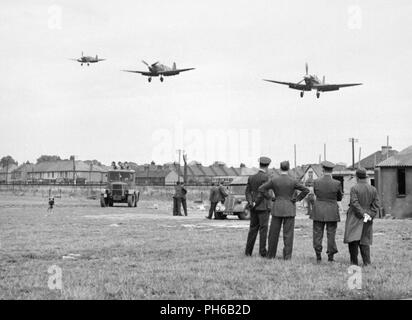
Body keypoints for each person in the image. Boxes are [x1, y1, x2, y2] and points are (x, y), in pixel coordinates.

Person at [257, 160, 309, 260]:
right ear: (288, 168)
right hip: (289, 208)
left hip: (277, 208)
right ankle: (287, 256)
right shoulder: (293, 180)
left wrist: (270, 197)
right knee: (288, 234)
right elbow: (306, 190)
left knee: (273, 234)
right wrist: (297, 199)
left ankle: (271, 255)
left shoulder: (274, 180)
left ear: (280, 168)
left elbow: (261, 189)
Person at [344, 168, 380, 266]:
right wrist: (369, 215)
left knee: (353, 239)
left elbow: (354, 203)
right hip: (367, 217)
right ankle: (367, 262)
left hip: (354, 216)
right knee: (365, 240)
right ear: (366, 177)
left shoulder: (354, 188)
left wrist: (362, 214)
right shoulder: (373, 189)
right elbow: (376, 205)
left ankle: (354, 262)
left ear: (357, 177)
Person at [311, 161, 343, 262]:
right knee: (331, 234)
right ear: (332, 170)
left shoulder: (316, 182)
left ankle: (318, 255)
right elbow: (339, 197)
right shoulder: (337, 183)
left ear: (323, 169)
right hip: (332, 211)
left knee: (317, 233)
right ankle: (330, 256)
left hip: (319, 210)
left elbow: (316, 193)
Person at [245, 156, 271, 257]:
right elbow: (263, 191)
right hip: (263, 206)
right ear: (267, 166)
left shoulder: (251, 177)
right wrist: (256, 201)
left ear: (259, 164)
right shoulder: (267, 177)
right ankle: (262, 252)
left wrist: (251, 202)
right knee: (263, 230)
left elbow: (247, 191)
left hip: (253, 207)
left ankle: (248, 251)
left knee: (252, 229)